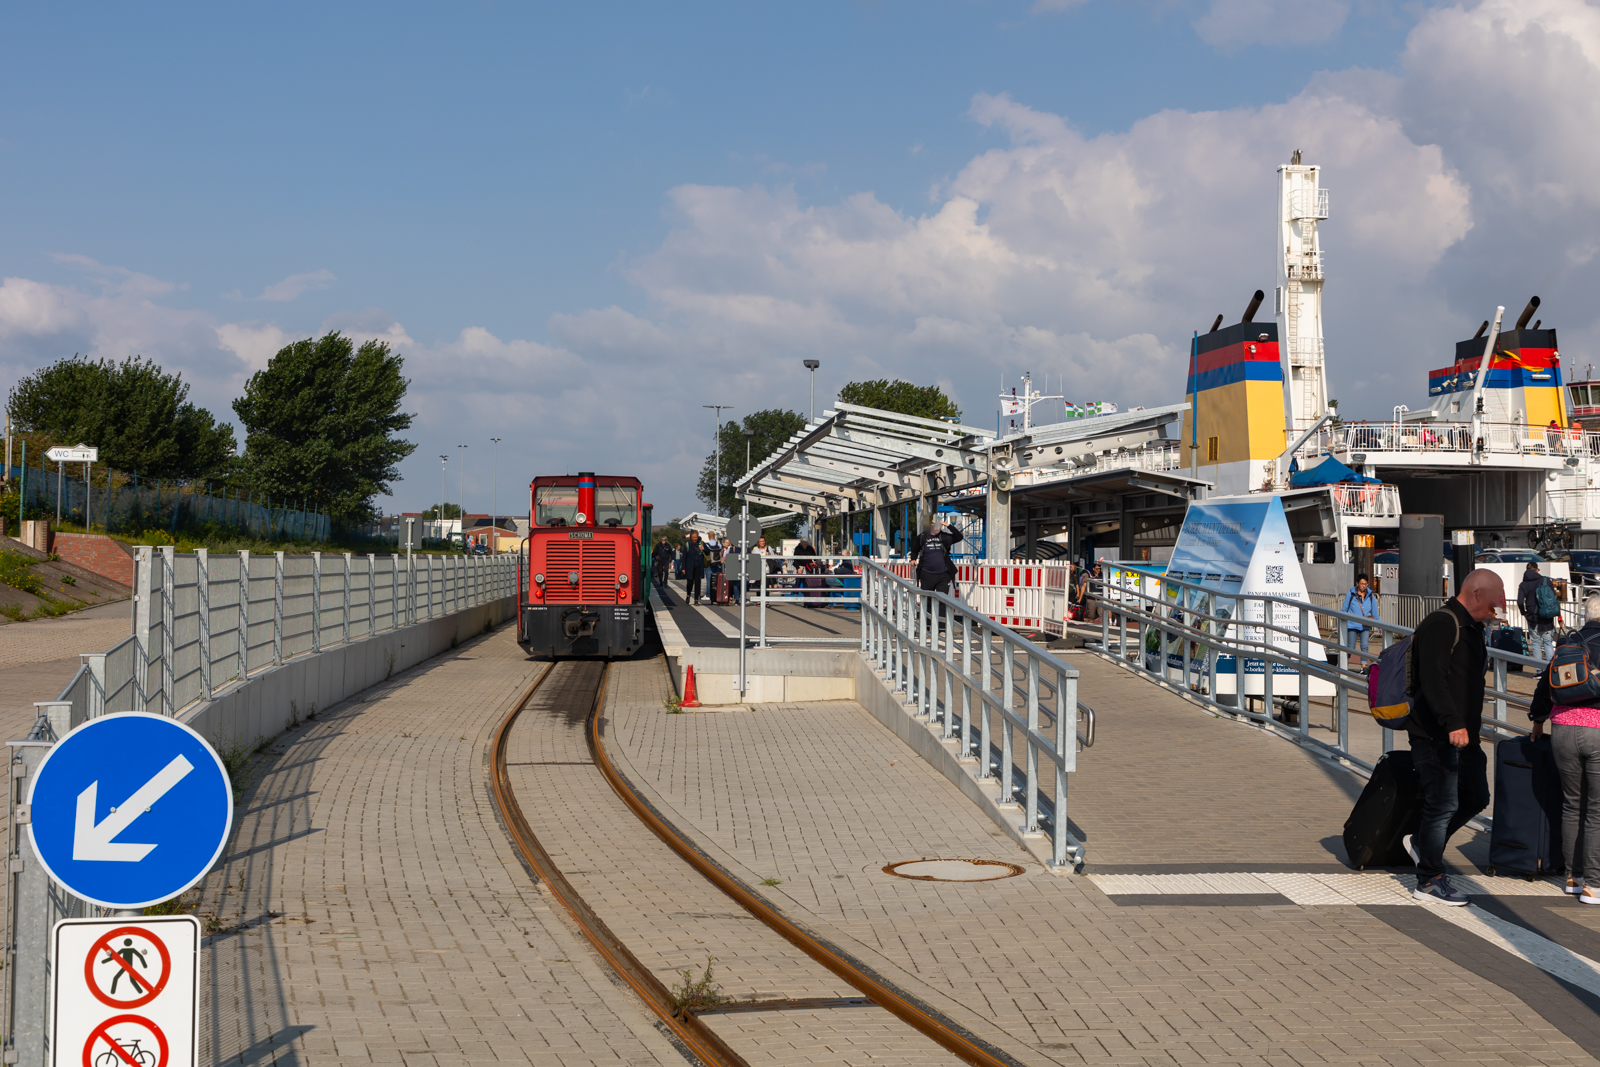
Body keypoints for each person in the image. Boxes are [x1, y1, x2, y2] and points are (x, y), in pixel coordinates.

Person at [1402, 568, 1503, 906]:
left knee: (1476, 796)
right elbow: (1432, 681)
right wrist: (1452, 723)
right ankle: (1429, 880)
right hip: (1436, 735)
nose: (1497, 611)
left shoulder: (1473, 629)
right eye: (1494, 605)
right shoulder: (1441, 624)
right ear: (1476, 595)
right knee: (1442, 803)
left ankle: (1421, 843)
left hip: (1465, 737)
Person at [1528, 595, 1600, 901]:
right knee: (1596, 810)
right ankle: (1594, 885)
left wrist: (1537, 719)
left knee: (1572, 805)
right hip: (1597, 730)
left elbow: (1546, 685)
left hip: (1562, 729)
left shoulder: (1568, 643)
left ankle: (1573, 876)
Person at [1518, 561, 1559, 660]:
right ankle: (1550, 669)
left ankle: (1539, 671)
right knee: (1547, 642)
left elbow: (1520, 602)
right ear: (1537, 570)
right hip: (1546, 616)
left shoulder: (1523, 584)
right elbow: (1553, 599)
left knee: (1536, 643)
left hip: (1532, 617)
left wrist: (1524, 613)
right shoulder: (1546, 580)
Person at [910, 520, 963, 598]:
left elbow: (959, 537)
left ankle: (941, 610)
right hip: (927, 574)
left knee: (942, 599)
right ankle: (927, 611)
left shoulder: (944, 537)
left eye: (939, 526)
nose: (938, 528)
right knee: (926, 600)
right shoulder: (922, 537)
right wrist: (913, 559)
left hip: (943, 574)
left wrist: (947, 525)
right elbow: (915, 550)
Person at [1341, 573, 1380, 665]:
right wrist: (1339, 624)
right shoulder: (1350, 595)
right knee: (1351, 647)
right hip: (1352, 625)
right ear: (1357, 583)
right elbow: (1343, 610)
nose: (1364, 586)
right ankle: (1344, 663)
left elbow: (1375, 613)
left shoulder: (1370, 597)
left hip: (1365, 625)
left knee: (1364, 646)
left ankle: (1363, 666)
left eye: (1365, 584)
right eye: (1362, 584)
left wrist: (1380, 626)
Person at [680, 531, 706, 606]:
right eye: (693, 537)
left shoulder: (701, 543)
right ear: (691, 537)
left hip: (698, 566)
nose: (695, 539)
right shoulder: (687, 544)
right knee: (690, 582)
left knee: (698, 582)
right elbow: (684, 557)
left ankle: (696, 599)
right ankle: (688, 595)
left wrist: (704, 549)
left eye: (696, 537)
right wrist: (683, 568)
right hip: (690, 567)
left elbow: (707, 552)